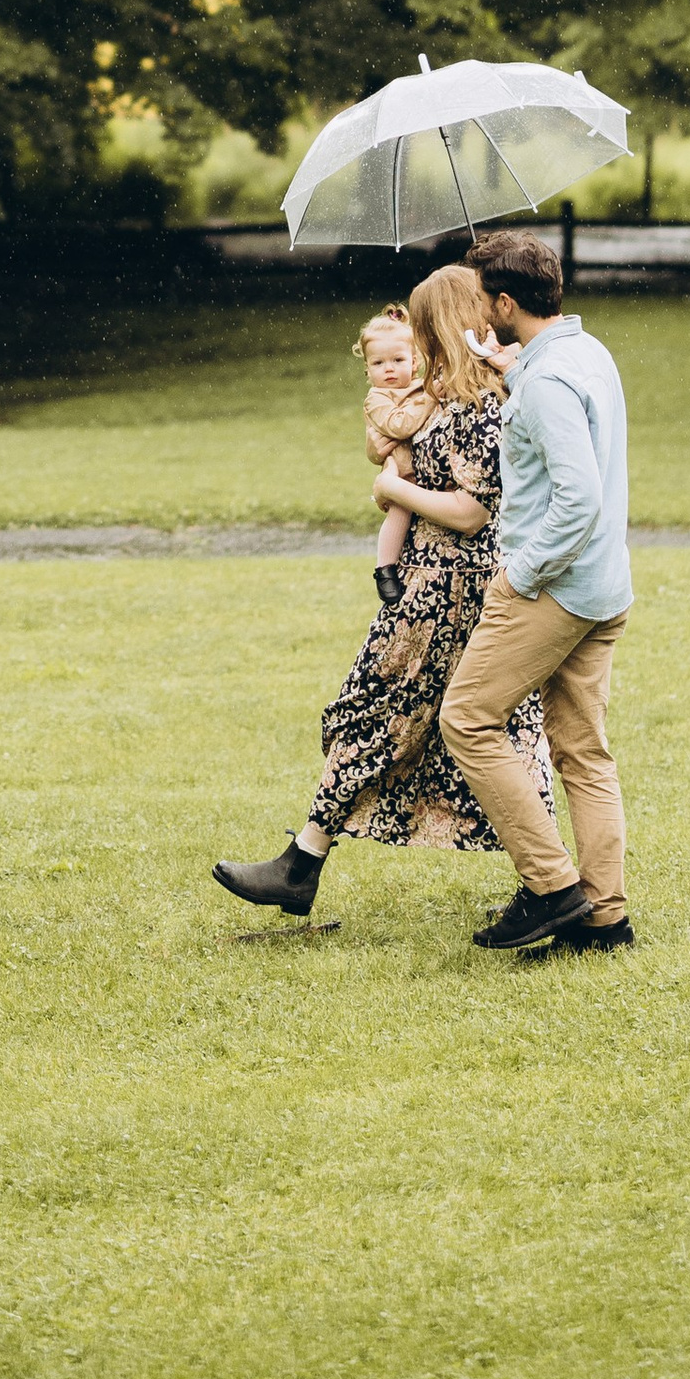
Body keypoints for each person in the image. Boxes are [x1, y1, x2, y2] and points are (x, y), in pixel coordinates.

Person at [212, 265, 556, 919]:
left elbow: (472, 511)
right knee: (447, 727)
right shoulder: (449, 398)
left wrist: (393, 491)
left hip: (451, 594)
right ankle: (304, 862)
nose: (416, 337)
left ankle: (548, 883)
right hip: (433, 585)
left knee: (403, 719)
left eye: (423, 325)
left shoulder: (480, 407)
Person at [437, 227, 637, 958]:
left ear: (507, 300)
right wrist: (509, 370)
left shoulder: (548, 379)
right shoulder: (581, 353)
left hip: (554, 587)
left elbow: (576, 498)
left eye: (484, 298)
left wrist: (520, 573)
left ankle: (552, 887)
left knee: (466, 719)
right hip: (605, 585)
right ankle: (605, 920)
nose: (478, 309)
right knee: (583, 751)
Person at [356, 303, 429, 600]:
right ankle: (384, 568)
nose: (388, 369)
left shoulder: (424, 387)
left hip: (429, 475)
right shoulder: (377, 399)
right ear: (368, 369)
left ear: (415, 361)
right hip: (402, 475)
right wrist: (430, 400)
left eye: (397, 360)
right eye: (378, 363)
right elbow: (399, 426)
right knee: (399, 513)